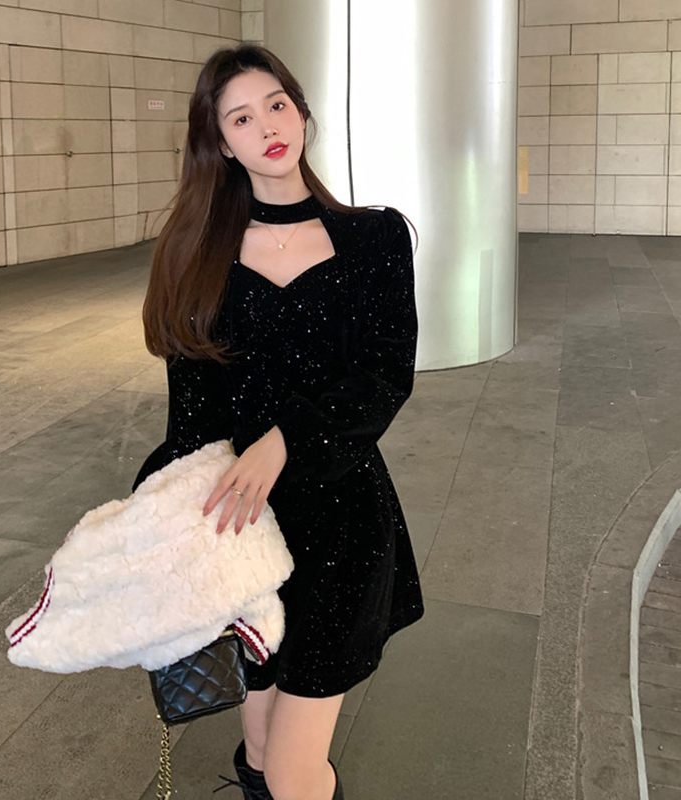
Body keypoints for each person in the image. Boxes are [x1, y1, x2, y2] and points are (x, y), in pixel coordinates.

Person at [133, 44, 424, 800]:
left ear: (300, 112)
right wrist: (156, 521)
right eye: (240, 118)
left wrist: (283, 440)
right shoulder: (196, 255)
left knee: (295, 767)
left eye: (276, 105)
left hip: (341, 524)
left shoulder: (376, 239)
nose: (265, 126)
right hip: (244, 533)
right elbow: (192, 419)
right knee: (260, 747)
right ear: (221, 144)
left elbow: (384, 378)